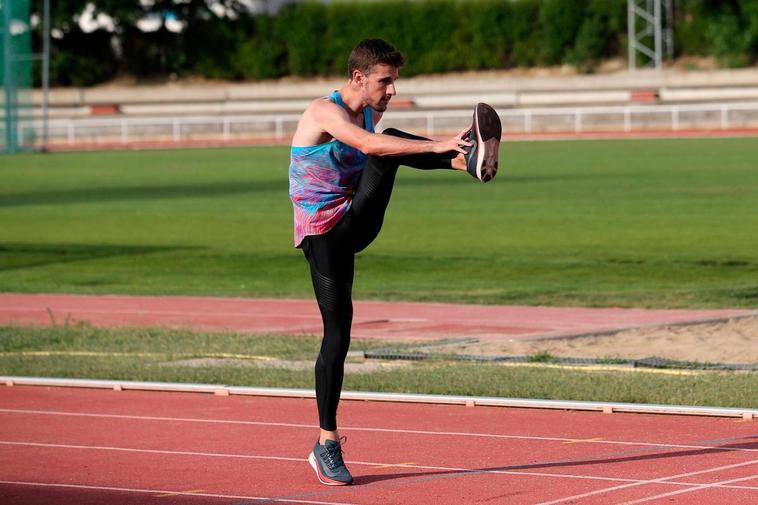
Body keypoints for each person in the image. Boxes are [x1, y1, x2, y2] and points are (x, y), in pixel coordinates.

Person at [288, 38, 501, 486]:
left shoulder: (371, 110)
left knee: (388, 142)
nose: (392, 91)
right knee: (337, 335)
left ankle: (468, 162)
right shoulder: (322, 113)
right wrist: (440, 144)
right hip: (323, 235)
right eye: (385, 82)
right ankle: (325, 443)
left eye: (395, 81)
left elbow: (379, 149)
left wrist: (436, 148)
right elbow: (368, 146)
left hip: (355, 216)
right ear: (358, 78)